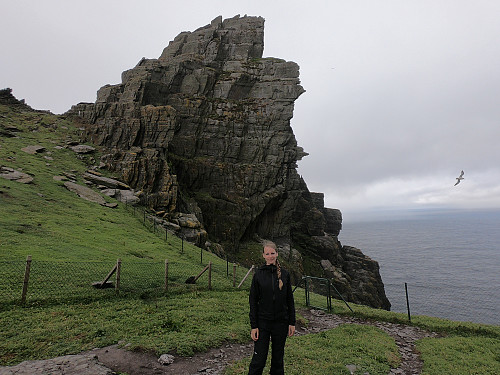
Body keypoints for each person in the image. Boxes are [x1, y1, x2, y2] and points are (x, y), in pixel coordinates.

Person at [248, 240, 296, 375]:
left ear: (277, 254)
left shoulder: (285, 275)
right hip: (263, 322)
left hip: (281, 322)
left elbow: (289, 300)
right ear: (263, 255)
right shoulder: (258, 275)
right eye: (267, 253)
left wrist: (292, 322)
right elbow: (253, 301)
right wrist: (254, 326)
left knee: (278, 360)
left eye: (272, 253)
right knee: (259, 359)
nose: (270, 256)